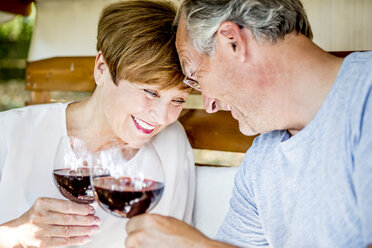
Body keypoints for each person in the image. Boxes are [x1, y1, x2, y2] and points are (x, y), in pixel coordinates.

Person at [125, 0, 372, 247]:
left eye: (195, 77)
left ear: (232, 41)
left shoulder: (365, 100)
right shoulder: (261, 161)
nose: (210, 106)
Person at [0, 0, 195, 247]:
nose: (162, 116)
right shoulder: (9, 132)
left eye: (178, 99)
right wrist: (14, 234)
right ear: (102, 69)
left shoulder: (171, 142)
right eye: (150, 92)